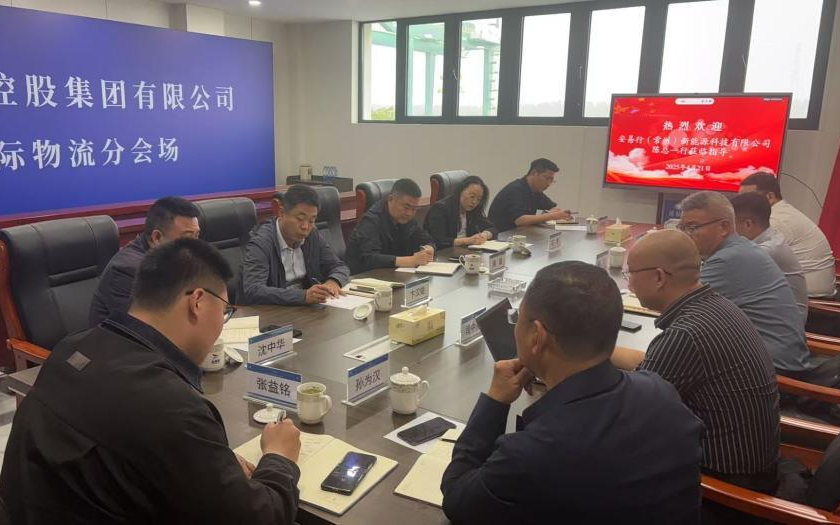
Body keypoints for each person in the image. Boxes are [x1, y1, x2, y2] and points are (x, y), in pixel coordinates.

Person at [1, 238, 302, 523]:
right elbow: (259, 518)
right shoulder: (172, 406)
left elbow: (129, 445)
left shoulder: (72, 347)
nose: (221, 324)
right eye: (224, 310)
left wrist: (205, 458)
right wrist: (279, 457)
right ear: (198, 301)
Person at [441, 261, 704, 524]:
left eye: (517, 319)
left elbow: (457, 499)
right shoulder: (661, 392)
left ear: (537, 336)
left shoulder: (531, 454)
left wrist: (495, 401)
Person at [612, 230, 780, 495]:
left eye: (630, 273)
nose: (629, 283)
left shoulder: (686, 334)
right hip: (753, 466)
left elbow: (628, 412)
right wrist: (589, 351)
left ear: (658, 277)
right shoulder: (715, 306)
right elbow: (650, 367)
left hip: (725, 487)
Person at [677, 192, 836, 386]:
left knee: (673, 372)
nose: (686, 235)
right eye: (682, 227)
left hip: (771, 374)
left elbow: (681, 309)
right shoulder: (740, 248)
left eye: (692, 227)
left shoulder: (729, 259)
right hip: (776, 358)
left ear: (724, 227)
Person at [89, 196, 200, 326]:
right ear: (157, 237)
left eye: (197, 236)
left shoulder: (180, 258)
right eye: (187, 239)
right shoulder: (127, 270)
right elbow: (146, 328)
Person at [239, 184, 350, 306]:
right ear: (281, 212)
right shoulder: (261, 243)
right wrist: (303, 296)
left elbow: (339, 266)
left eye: (311, 220)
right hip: (271, 311)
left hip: (304, 309)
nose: (305, 227)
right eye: (300, 218)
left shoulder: (312, 235)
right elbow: (253, 290)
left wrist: (333, 282)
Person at [740, 172, 836, 297]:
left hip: (810, 297)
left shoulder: (777, 220)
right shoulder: (782, 212)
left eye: (748, 198)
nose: (741, 204)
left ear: (770, 197)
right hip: (806, 289)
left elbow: (748, 259)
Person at [731, 191, 809, 322]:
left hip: (783, 324)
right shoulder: (771, 236)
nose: (727, 231)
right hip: (774, 315)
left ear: (748, 224)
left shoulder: (766, 250)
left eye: (729, 224)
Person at [345, 178, 435, 274]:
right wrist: (411, 260)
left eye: (414, 209)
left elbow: (426, 239)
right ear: (390, 199)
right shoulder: (370, 220)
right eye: (406, 207)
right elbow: (370, 258)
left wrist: (429, 248)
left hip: (393, 275)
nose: (409, 213)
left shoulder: (407, 219)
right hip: (363, 277)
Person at [487, 158, 573, 232]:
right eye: (547, 178)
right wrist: (552, 216)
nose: (548, 183)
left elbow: (552, 208)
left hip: (519, 234)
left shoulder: (536, 191)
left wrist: (556, 213)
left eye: (551, 180)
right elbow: (520, 220)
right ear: (534, 173)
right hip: (500, 235)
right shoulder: (515, 189)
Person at [423, 175, 498, 249]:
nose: (474, 202)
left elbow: (492, 228)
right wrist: (468, 241)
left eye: (479, 199)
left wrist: (484, 235)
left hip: (464, 252)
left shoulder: (473, 210)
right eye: (472, 196)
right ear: (461, 191)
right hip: (443, 253)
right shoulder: (440, 209)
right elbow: (438, 240)